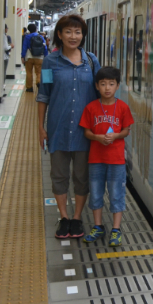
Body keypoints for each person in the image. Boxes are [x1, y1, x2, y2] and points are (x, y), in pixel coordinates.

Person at [36, 14, 101, 239]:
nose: (73, 36)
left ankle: (77, 218)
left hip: (86, 132)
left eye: (78, 32)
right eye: (68, 32)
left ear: (83, 35)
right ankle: (64, 217)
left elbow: (102, 94)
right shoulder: (49, 62)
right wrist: (41, 128)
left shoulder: (91, 61)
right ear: (60, 35)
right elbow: (43, 95)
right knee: (59, 175)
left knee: (82, 177)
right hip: (58, 129)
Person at [79, 67, 133, 246]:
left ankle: (116, 229)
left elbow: (126, 130)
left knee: (117, 194)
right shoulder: (91, 108)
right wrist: (97, 137)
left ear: (118, 86)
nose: (107, 88)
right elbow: (86, 131)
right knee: (96, 193)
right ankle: (98, 226)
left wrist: (116, 135)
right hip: (96, 159)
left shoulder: (123, 107)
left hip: (116, 160)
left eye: (111, 84)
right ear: (97, 86)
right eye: (103, 84)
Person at [21, 23, 48, 92]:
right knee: (39, 72)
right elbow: (45, 47)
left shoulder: (27, 37)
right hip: (39, 57)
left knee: (29, 73)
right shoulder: (41, 37)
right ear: (36, 29)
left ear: (29, 30)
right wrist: (46, 56)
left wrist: (22, 56)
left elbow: (24, 47)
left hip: (29, 57)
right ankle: (38, 82)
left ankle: (29, 88)